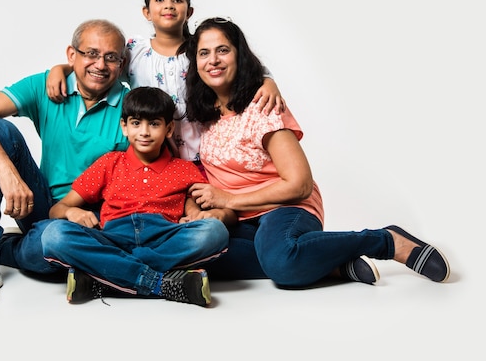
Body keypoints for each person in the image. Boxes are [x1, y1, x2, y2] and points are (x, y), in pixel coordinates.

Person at [184, 17, 451, 287]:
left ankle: (386, 241)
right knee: (197, 255)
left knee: (282, 263)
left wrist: (228, 200)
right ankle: (331, 264)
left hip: (283, 208)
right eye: (204, 53)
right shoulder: (201, 117)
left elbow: (299, 185)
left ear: (239, 56)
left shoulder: (263, 106)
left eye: (223, 50)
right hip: (240, 220)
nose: (213, 60)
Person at [0, 19, 132, 302]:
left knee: (55, 249)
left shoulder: (132, 107)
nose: (100, 65)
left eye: (111, 57)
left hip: (89, 218)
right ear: (71, 55)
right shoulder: (48, 85)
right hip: (41, 204)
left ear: (121, 62)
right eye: (91, 53)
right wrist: (7, 173)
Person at [45, 0, 285, 166]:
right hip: (156, 153)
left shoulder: (200, 49)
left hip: (205, 152)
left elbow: (243, 64)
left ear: (189, 11)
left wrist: (267, 80)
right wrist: (61, 68)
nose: (168, 5)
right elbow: (103, 63)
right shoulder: (134, 51)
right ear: (146, 12)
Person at [41, 86, 231, 307]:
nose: (144, 132)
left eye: (154, 124)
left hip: (164, 239)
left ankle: (107, 278)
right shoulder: (109, 162)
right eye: (136, 123)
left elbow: (220, 213)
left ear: (169, 129)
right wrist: (72, 211)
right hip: (113, 239)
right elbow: (56, 210)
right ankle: (158, 282)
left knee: (214, 232)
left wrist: (211, 215)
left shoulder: (184, 169)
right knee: (53, 235)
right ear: (124, 126)